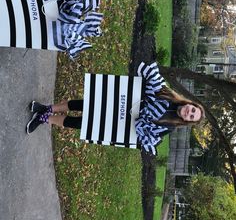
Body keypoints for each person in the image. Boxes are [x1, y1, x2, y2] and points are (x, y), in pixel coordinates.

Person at [26, 61, 205, 155]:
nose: (189, 113)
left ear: (186, 121)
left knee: (80, 123)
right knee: (81, 104)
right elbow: (150, 76)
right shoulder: (168, 94)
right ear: (190, 103)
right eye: (192, 110)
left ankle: (44, 119)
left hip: (117, 123)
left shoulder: (169, 125)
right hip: (116, 101)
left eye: (191, 117)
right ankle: (47, 108)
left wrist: (144, 123)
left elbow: (148, 139)